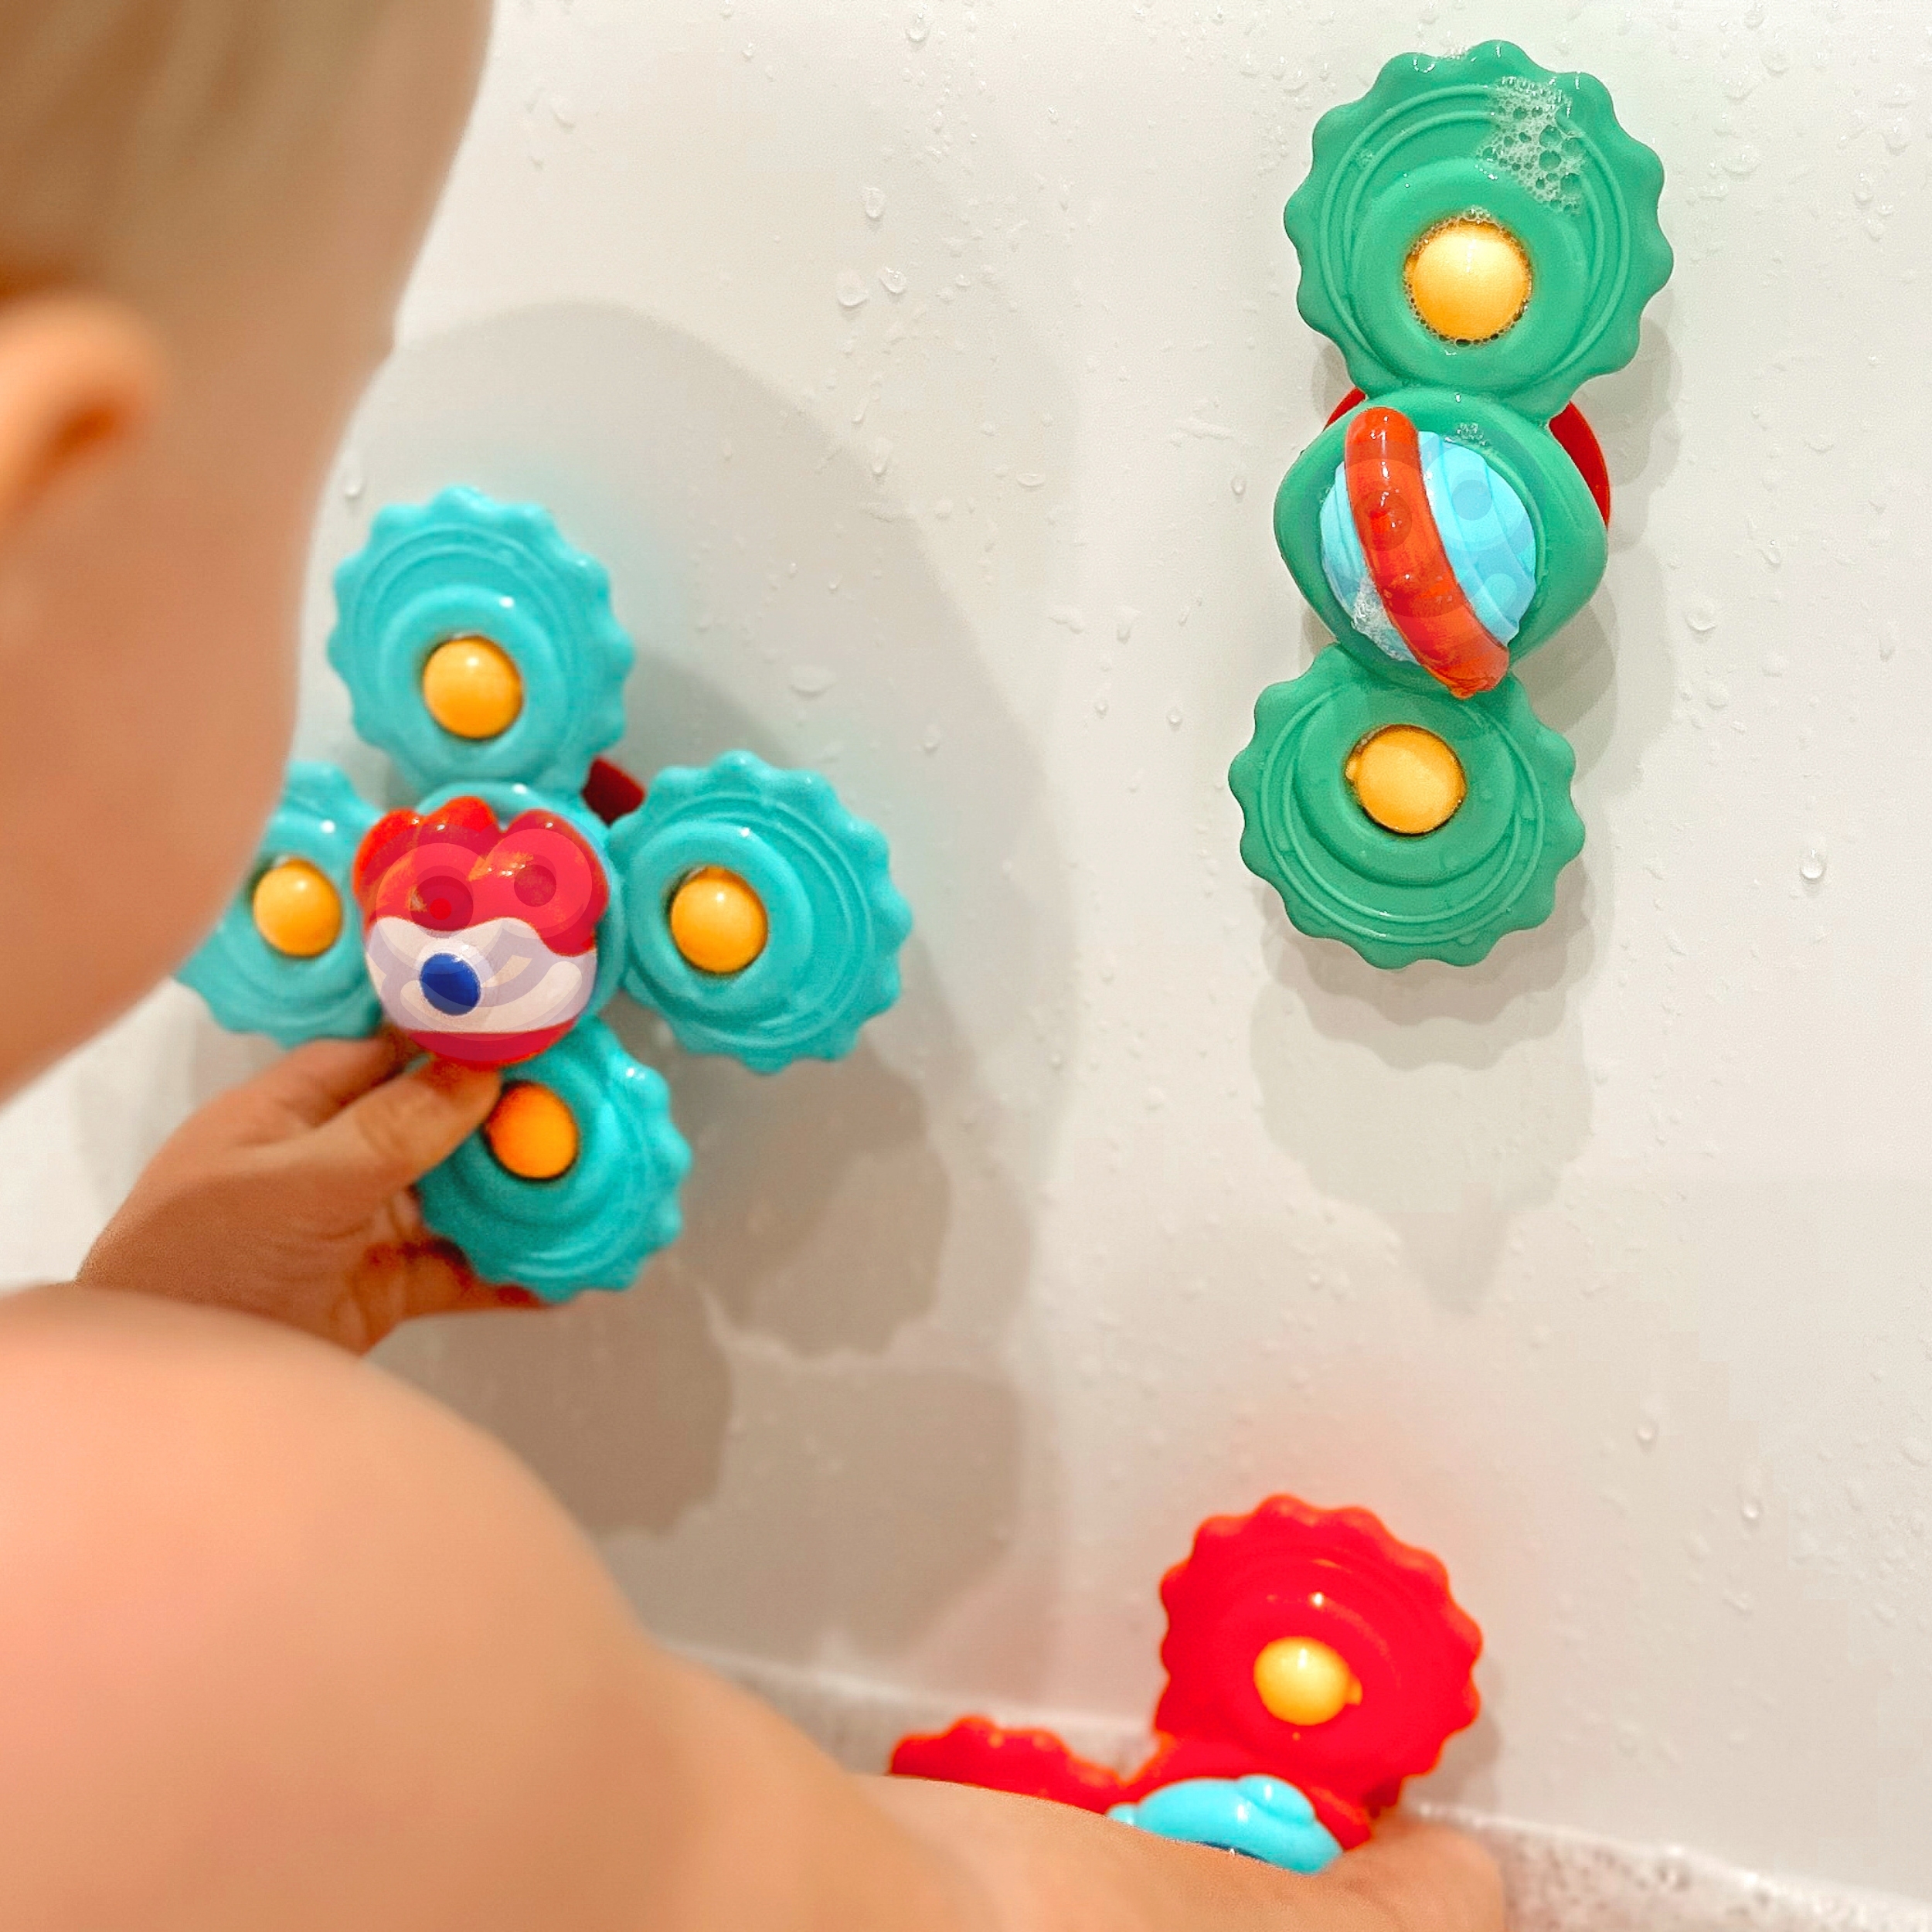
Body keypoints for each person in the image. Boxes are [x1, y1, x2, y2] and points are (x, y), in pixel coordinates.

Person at [0, 5, 1507, 1927]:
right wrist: (1344, 1913)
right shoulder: (243, 1608)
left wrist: (158, 1353)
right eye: (303, 453)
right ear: (47, 511)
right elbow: (942, 1909)